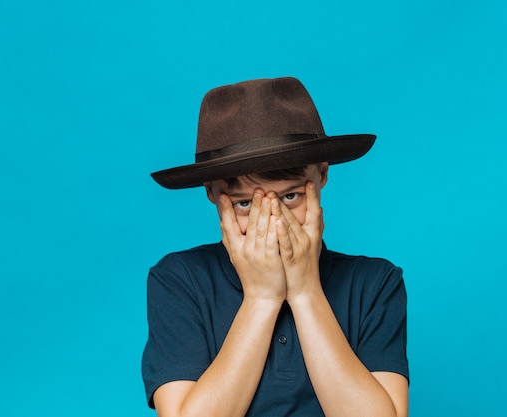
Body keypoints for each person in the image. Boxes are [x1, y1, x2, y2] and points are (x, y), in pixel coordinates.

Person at [142, 77, 409, 417]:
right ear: (211, 192)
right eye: (244, 204)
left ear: (321, 175)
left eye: (290, 196)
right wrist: (261, 298)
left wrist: (305, 290)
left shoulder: (374, 282)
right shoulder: (179, 280)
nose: (272, 221)